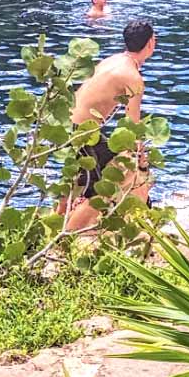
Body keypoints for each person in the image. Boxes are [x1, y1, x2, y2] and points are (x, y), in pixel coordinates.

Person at [64, 18, 156, 232]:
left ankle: (61, 219)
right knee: (97, 193)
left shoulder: (112, 60)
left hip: (72, 126)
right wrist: (140, 156)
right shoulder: (133, 77)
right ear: (151, 43)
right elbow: (132, 125)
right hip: (83, 132)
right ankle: (64, 240)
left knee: (85, 180)